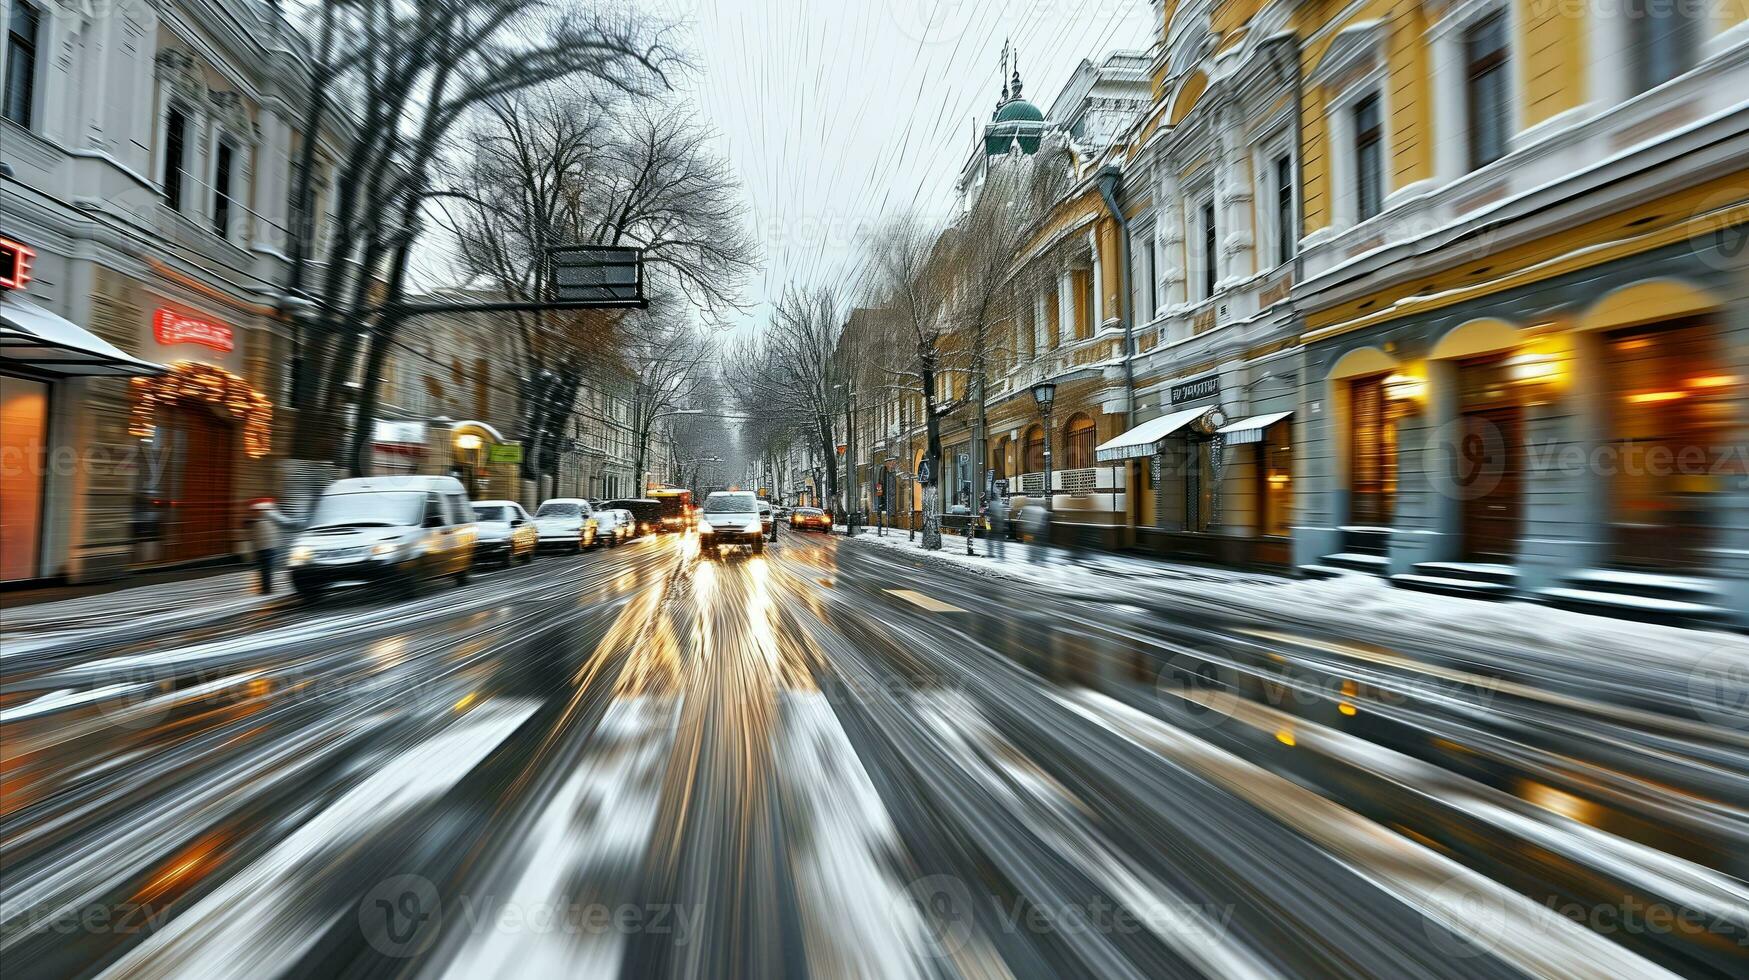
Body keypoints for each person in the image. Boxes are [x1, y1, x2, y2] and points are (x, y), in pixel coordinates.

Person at [249, 499, 301, 594]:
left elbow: (285, 523)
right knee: (265, 569)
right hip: (266, 546)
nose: (253, 512)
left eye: (254, 510)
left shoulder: (266, 516)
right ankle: (267, 588)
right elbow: (256, 536)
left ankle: (267, 589)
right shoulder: (263, 517)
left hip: (266, 547)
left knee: (266, 569)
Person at [987, 495, 1008, 560]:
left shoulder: (991, 505)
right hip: (999, 525)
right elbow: (1004, 516)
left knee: (990, 540)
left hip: (993, 524)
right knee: (1000, 541)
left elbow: (988, 518)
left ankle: (990, 554)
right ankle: (1001, 555)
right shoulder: (1000, 505)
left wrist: (988, 528)